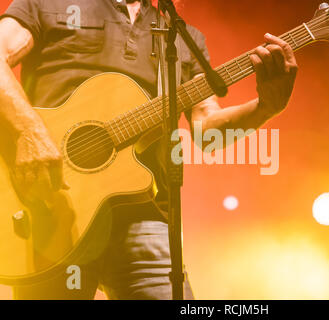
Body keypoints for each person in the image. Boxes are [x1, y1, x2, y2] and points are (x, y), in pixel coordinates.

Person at [0, 0, 298, 299]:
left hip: (144, 208)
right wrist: (29, 131)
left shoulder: (180, 36)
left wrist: (265, 108)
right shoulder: (47, 3)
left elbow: (207, 133)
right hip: (48, 202)